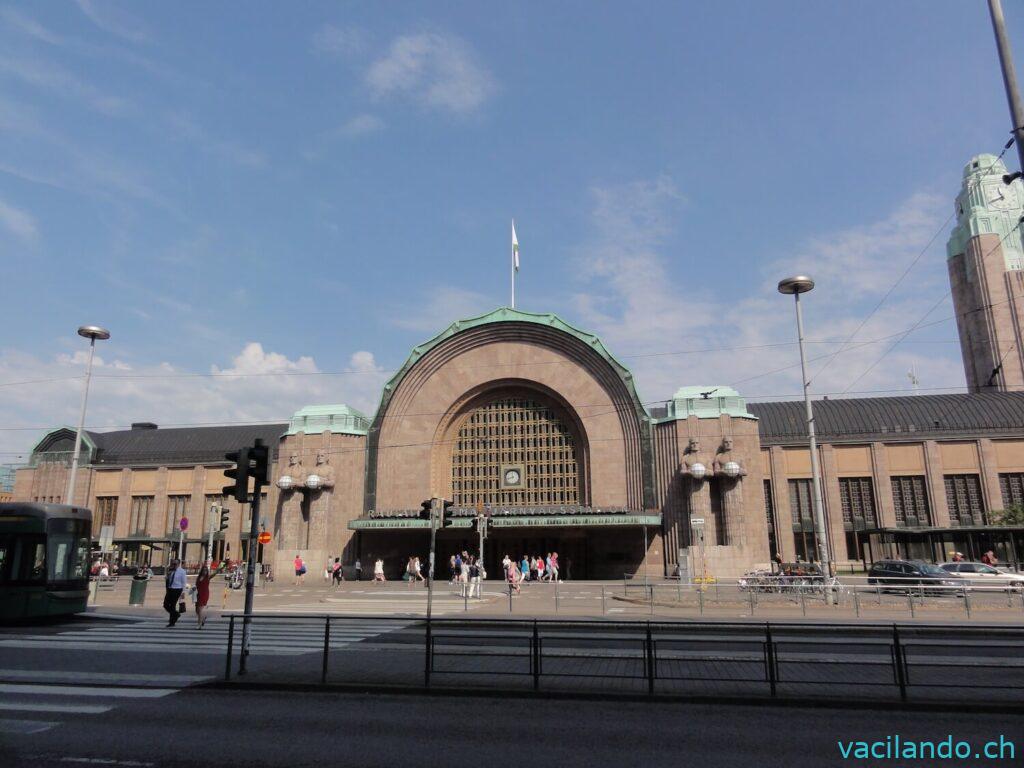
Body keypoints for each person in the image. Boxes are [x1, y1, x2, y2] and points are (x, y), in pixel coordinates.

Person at [163, 558, 187, 628]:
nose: (174, 565)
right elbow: (167, 579)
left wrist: (183, 592)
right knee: (165, 604)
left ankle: (172, 622)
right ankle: (176, 614)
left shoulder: (182, 571)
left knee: (173, 605)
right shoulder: (171, 570)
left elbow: (184, 582)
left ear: (179, 564)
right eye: (173, 563)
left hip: (177, 589)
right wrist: (167, 575)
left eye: (175, 564)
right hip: (170, 589)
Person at [195, 564, 212, 628]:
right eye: (203, 570)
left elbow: (216, 573)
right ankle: (203, 618)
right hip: (198, 594)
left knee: (200, 609)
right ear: (201, 571)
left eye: (206, 570)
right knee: (197, 610)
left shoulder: (208, 577)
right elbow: (196, 585)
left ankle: (199, 624)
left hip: (204, 594)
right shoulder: (198, 577)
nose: (205, 571)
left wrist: (222, 567)